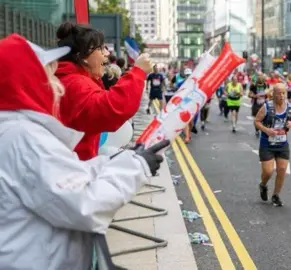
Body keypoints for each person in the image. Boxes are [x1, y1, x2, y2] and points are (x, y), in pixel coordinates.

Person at [0, 34, 169, 270]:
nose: (55, 82)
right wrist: (136, 166)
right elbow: (85, 204)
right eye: (48, 74)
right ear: (27, 81)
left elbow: (67, 176)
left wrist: (122, 160)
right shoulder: (24, 138)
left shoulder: (17, 132)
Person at [55, 22, 152, 160]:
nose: (106, 53)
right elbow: (113, 108)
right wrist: (138, 72)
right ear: (83, 57)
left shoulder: (70, 79)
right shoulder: (76, 84)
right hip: (74, 170)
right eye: (101, 49)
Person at [255, 83, 291, 206]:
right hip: (267, 143)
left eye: (284, 93)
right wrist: (267, 130)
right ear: (273, 94)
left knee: (282, 169)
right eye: (279, 93)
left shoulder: (290, 108)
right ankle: (263, 185)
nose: (282, 96)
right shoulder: (267, 107)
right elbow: (257, 121)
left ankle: (276, 195)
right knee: (268, 172)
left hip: (282, 143)